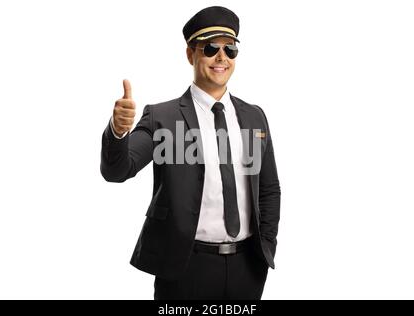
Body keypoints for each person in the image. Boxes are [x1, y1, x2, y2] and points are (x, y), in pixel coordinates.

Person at [100, 6, 281, 300]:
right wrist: (117, 131)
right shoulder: (163, 118)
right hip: (186, 269)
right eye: (210, 48)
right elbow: (118, 170)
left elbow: (269, 188)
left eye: (230, 49)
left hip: (247, 268)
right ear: (190, 54)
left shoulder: (253, 117)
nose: (221, 57)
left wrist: (266, 246)